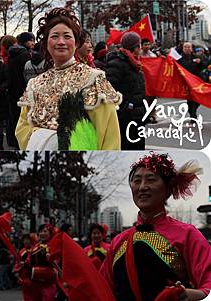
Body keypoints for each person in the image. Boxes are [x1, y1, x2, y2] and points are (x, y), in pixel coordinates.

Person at [100, 152, 211, 301]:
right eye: (137, 181)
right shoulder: (118, 242)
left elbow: (208, 285)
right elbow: (101, 289)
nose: (142, 187)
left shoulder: (188, 235)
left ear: (168, 189)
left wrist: (191, 295)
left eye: (151, 180)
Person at [15, 8, 121, 151]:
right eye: (54, 36)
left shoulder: (93, 78)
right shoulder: (35, 84)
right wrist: (44, 137)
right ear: (46, 42)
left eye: (67, 36)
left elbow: (109, 135)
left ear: (76, 43)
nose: (60, 42)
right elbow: (22, 128)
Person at [106, 31, 146, 150]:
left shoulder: (135, 64)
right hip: (125, 117)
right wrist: (124, 107)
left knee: (138, 148)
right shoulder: (117, 63)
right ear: (135, 48)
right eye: (139, 45)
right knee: (126, 146)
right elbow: (109, 89)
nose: (141, 48)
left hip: (137, 115)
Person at [7, 32, 35, 148]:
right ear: (24, 41)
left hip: (12, 90)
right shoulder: (26, 55)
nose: (33, 43)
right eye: (30, 40)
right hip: (23, 90)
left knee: (15, 119)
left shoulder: (11, 54)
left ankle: (14, 142)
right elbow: (26, 75)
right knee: (25, 120)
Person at [24, 224, 57, 301]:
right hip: (35, 280)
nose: (42, 233)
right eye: (41, 231)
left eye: (45, 231)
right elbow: (29, 259)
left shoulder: (53, 245)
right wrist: (26, 263)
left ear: (50, 233)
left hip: (48, 282)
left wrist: (49, 257)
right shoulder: (36, 247)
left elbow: (56, 261)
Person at [177, 42, 207, 121]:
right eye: (185, 47)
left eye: (189, 47)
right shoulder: (179, 59)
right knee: (190, 99)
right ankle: (192, 115)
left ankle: (193, 112)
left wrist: (200, 62)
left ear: (192, 48)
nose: (187, 48)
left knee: (199, 99)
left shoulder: (197, 57)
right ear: (183, 49)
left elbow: (205, 65)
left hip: (197, 81)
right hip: (186, 82)